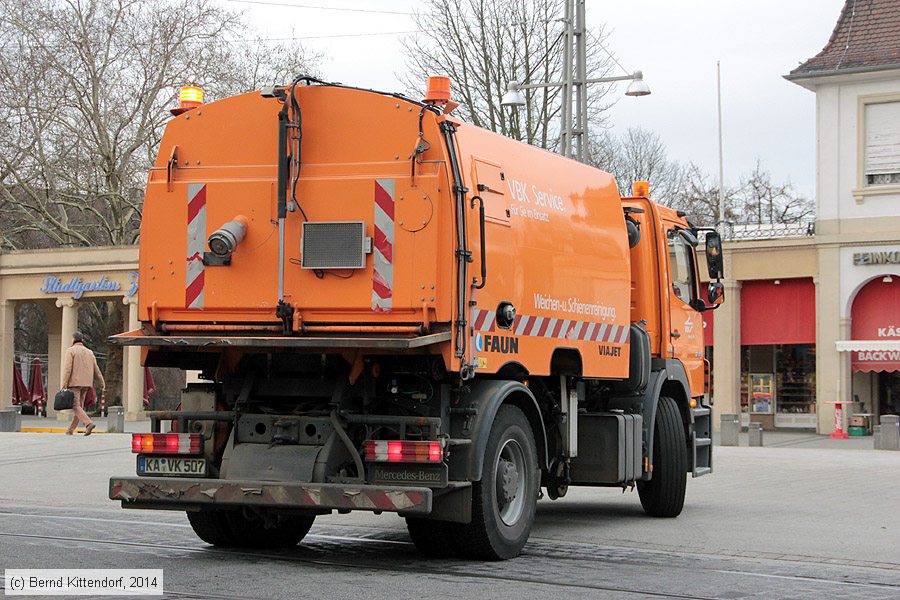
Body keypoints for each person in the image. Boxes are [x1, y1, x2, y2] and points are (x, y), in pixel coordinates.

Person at [62, 331, 106, 435]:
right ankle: (70, 430)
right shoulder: (89, 352)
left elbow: (68, 369)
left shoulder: (70, 351)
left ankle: (88, 424)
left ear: (73, 339)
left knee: (75, 405)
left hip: (74, 383)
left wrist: (64, 383)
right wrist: (102, 382)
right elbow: (96, 369)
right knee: (79, 407)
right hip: (86, 383)